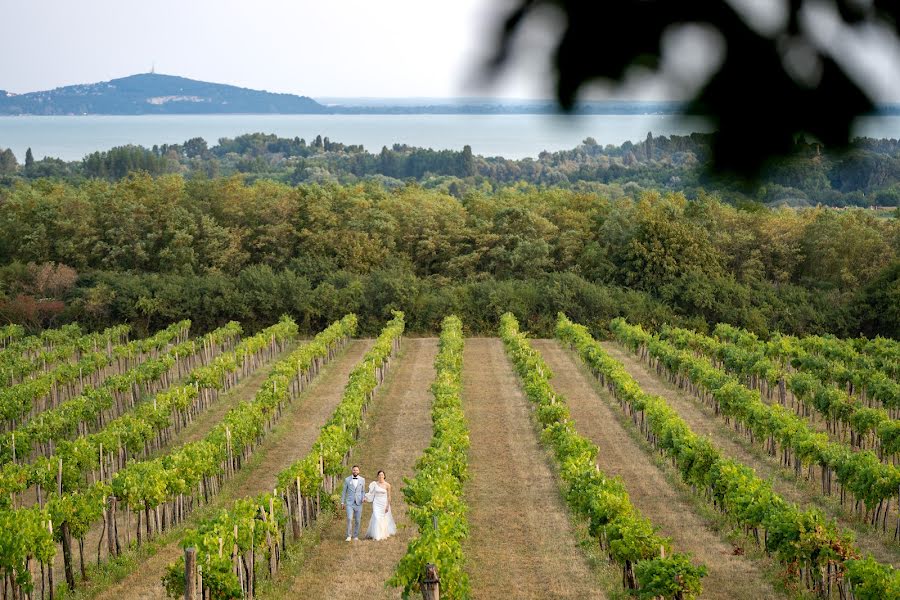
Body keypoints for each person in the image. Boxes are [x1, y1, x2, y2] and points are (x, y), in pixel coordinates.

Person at [364, 469, 397, 540]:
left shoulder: (387, 485)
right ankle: (376, 534)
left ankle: (382, 533)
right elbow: (371, 493)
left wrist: (387, 506)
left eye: (382, 475)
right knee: (376, 516)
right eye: (379, 475)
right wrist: (366, 498)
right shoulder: (374, 484)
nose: (381, 476)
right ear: (377, 476)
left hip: (384, 503)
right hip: (376, 503)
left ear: (384, 476)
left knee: (383, 518)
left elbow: (389, 496)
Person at [340, 465, 365, 541]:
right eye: (354, 470)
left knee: (357, 520)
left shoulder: (362, 480)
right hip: (349, 503)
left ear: (359, 471)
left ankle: (356, 535)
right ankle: (348, 535)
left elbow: (363, 491)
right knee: (349, 518)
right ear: (352, 471)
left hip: (359, 503)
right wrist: (342, 502)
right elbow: (344, 491)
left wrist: (363, 497)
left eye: (357, 470)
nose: (355, 471)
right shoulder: (347, 480)